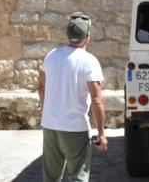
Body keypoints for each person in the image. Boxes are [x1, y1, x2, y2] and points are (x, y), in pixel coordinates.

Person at [38, 12, 107, 182]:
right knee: (78, 177)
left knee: (51, 177)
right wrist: (101, 133)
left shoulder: (51, 56)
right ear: (87, 37)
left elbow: (41, 87)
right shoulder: (89, 61)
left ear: (68, 35)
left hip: (50, 125)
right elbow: (97, 100)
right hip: (75, 128)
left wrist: (47, 110)